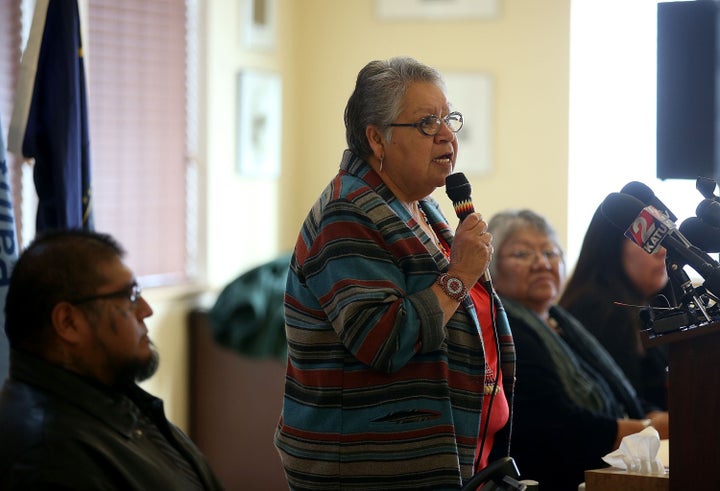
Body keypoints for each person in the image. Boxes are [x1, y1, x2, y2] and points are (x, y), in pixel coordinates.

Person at [273, 56, 516, 490]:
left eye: (448, 118)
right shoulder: (347, 213)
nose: (446, 134)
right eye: (426, 123)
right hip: (369, 470)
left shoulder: (417, 203)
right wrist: (459, 274)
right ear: (377, 139)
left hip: (443, 461)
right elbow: (381, 339)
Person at [0, 230, 223, 490]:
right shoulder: (50, 458)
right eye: (130, 296)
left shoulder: (112, 395)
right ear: (68, 322)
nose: (146, 310)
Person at [487, 209, 669, 491]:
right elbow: (560, 426)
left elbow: (614, 388)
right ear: (492, 268)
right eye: (523, 254)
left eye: (551, 253)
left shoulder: (559, 320)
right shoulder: (505, 330)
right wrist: (649, 429)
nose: (542, 264)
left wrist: (651, 418)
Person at [559, 204, 673, 410]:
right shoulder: (599, 309)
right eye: (650, 241)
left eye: (664, 238)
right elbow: (627, 410)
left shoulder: (648, 305)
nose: (663, 251)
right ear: (612, 247)